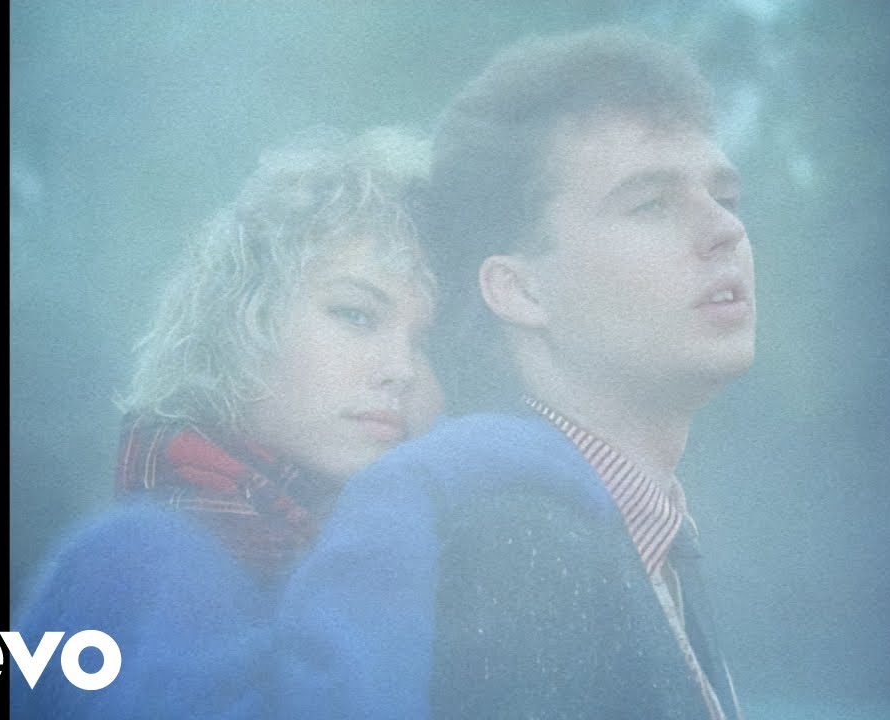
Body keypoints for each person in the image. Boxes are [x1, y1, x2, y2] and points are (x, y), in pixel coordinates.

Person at [273, 26, 754, 719]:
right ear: (519, 290)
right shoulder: (512, 541)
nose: (725, 230)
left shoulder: (641, 531)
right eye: (650, 204)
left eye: (726, 199)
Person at [9, 126, 443, 718]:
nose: (401, 369)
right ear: (243, 320)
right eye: (356, 314)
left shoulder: (430, 556)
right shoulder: (142, 558)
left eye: (428, 342)